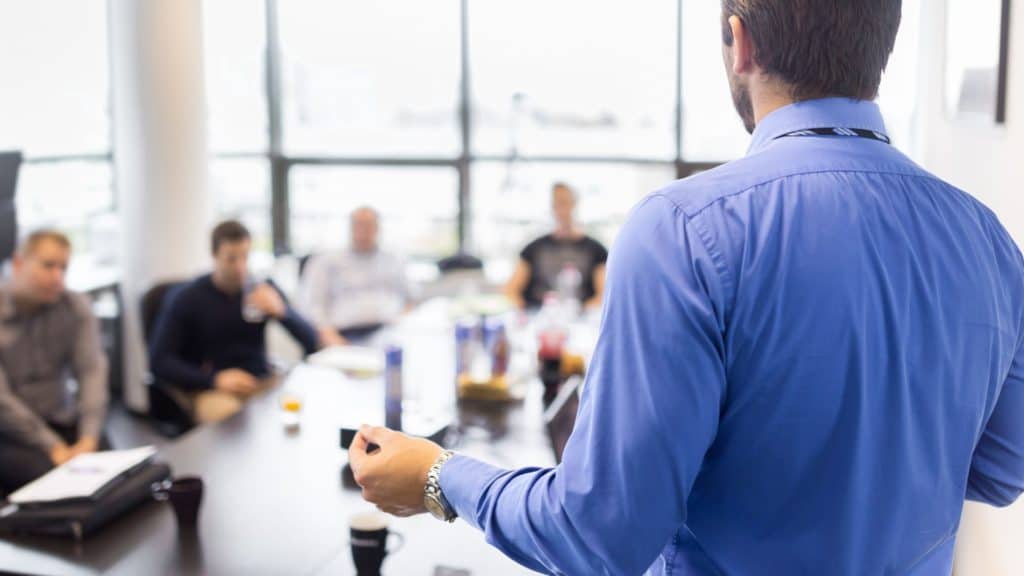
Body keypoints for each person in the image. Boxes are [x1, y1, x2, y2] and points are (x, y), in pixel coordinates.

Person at [348, 1, 1024, 574]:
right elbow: (1002, 468)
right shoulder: (988, 238)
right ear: (882, 44)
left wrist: (439, 477)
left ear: (740, 42)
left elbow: (598, 537)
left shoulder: (685, 230)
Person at [148, 220, 320, 424]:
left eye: (245, 257)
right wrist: (214, 379)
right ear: (214, 256)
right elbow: (159, 361)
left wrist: (283, 312)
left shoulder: (261, 287)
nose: (241, 267)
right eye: (231, 259)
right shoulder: (188, 298)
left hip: (260, 381)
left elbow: (312, 341)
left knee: (301, 408)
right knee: (232, 424)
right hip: (213, 387)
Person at [0, 230, 109, 493]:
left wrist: (88, 437)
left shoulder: (74, 306)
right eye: (48, 265)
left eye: (63, 268)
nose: (57, 277)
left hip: (64, 420)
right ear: (18, 263)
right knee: (59, 485)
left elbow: (92, 370)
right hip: (13, 434)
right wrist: (52, 445)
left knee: (113, 475)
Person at [299, 207, 408, 345]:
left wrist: (402, 324)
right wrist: (331, 338)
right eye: (359, 224)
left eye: (369, 225)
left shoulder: (393, 259)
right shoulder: (326, 260)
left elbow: (410, 298)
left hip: (389, 332)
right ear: (350, 227)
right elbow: (312, 306)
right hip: (345, 335)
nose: (364, 231)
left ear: (378, 228)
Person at [504, 183, 608, 310]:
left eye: (564, 202)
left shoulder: (596, 250)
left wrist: (582, 313)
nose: (561, 209)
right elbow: (511, 290)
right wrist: (524, 313)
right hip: (539, 318)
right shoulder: (533, 249)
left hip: (579, 319)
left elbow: (603, 294)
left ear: (574, 204)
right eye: (556, 204)